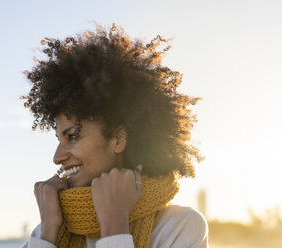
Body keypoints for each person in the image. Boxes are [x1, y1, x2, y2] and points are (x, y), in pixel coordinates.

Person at [20, 23, 208, 248]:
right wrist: (48, 232)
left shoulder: (180, 226)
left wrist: (115, 225)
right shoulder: (48, 231)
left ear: (118, 138)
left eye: (72, 137)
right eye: (58, 140)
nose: (57, 157)